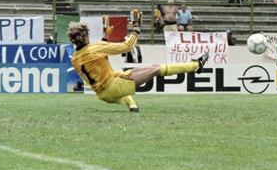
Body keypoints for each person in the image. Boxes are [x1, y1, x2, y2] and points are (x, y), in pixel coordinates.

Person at [69, 21, 208, 113]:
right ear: (85, 36)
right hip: (113, 87)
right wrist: (136, 30)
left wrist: (105, 38)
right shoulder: (95, 48)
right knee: (155, 69)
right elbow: (127, 46)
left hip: (102, 95)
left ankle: (132, 106)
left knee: (122, 74)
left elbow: (93, 57)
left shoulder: (75, 58)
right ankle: (195, 66)